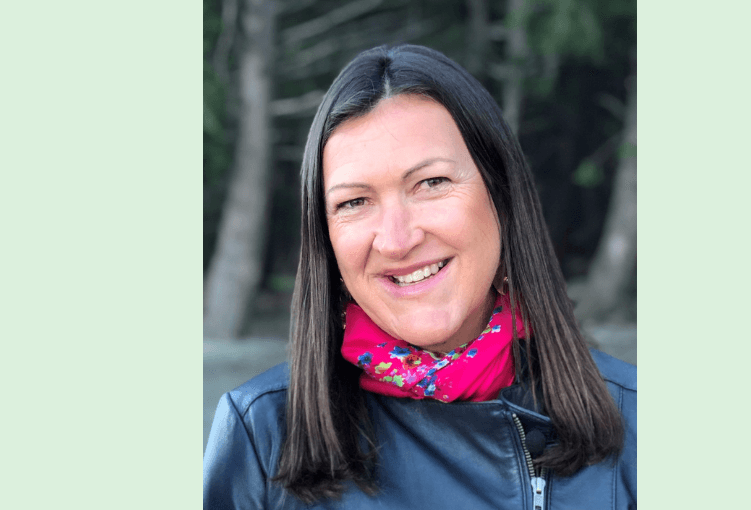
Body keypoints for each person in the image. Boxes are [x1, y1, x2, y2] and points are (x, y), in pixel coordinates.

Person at [203, 44, 636, 510]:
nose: (397, 239)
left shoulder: (639, 421)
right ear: (326, 240)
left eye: (431, 183)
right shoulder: (262, 435)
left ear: (502, 196)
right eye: (354, 202)